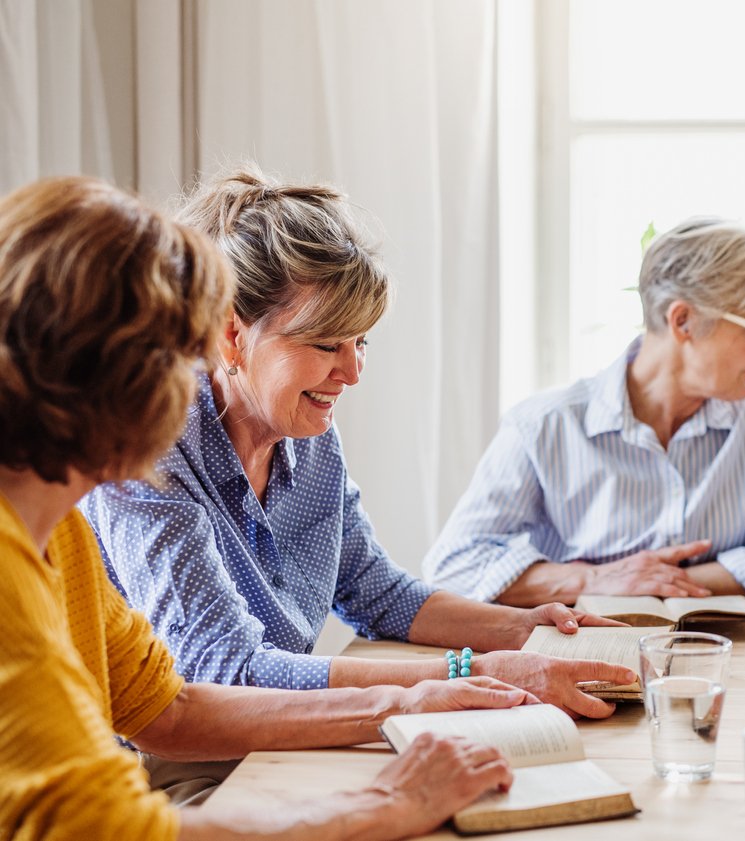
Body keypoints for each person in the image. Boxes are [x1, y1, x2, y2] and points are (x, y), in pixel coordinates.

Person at [0, 175, 555, 840]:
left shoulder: (61, 531)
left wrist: (410, 697)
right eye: (182, 350)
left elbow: (167, 710)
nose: (195, 377)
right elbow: (111, 825)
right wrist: (384, 801)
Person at [80, 168, 633, 730]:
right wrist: (471, 670)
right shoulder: (151, 454)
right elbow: (225, 672)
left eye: (361, 341)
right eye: (326, 343)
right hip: (160, 768)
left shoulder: (309, 438)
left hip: (284, 736)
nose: (352, 372)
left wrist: (524, 628)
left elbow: (374, 591)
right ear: (231, 334)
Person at [423, 217, 745, 606]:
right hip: (581, 652)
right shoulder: (543, 426)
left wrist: (649, 581)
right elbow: (454, 566)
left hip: (727, 653)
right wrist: (595, 579)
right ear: (683, 321)